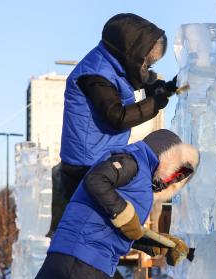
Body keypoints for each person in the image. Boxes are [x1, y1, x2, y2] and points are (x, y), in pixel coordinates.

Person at [49, 13, 179, 235]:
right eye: (145, 60)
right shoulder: (94, 75)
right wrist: (154, 104)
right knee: (90, 232)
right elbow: (117, 117)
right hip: (84, 166)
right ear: (131, 52)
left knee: (100, 230)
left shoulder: (114, 64)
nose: (147, 66)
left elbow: (142, 79)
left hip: (98, 159)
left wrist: (162, 88)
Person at [34, 129, 200, 279]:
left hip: (94, 263)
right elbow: (96, 180)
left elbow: (121, 228)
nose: (171, 181)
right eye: (175, 173)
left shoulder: (142, 185)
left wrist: (160, 245)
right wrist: (123, 213)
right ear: (168, 159)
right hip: (78, 260)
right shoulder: (131, 160)